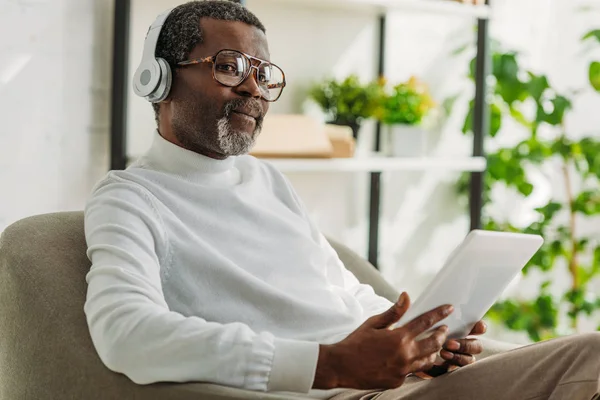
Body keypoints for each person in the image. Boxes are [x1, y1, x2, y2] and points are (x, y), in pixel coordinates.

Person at [84, 1, 600, 399]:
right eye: (230, 66)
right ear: (160, 78)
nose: (254, 90)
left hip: (391, 378)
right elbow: (126, 332)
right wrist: (330, 362)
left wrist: (415, 340)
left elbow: (343, 293)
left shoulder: (267, 181)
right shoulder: (132, 199)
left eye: (264, 74)